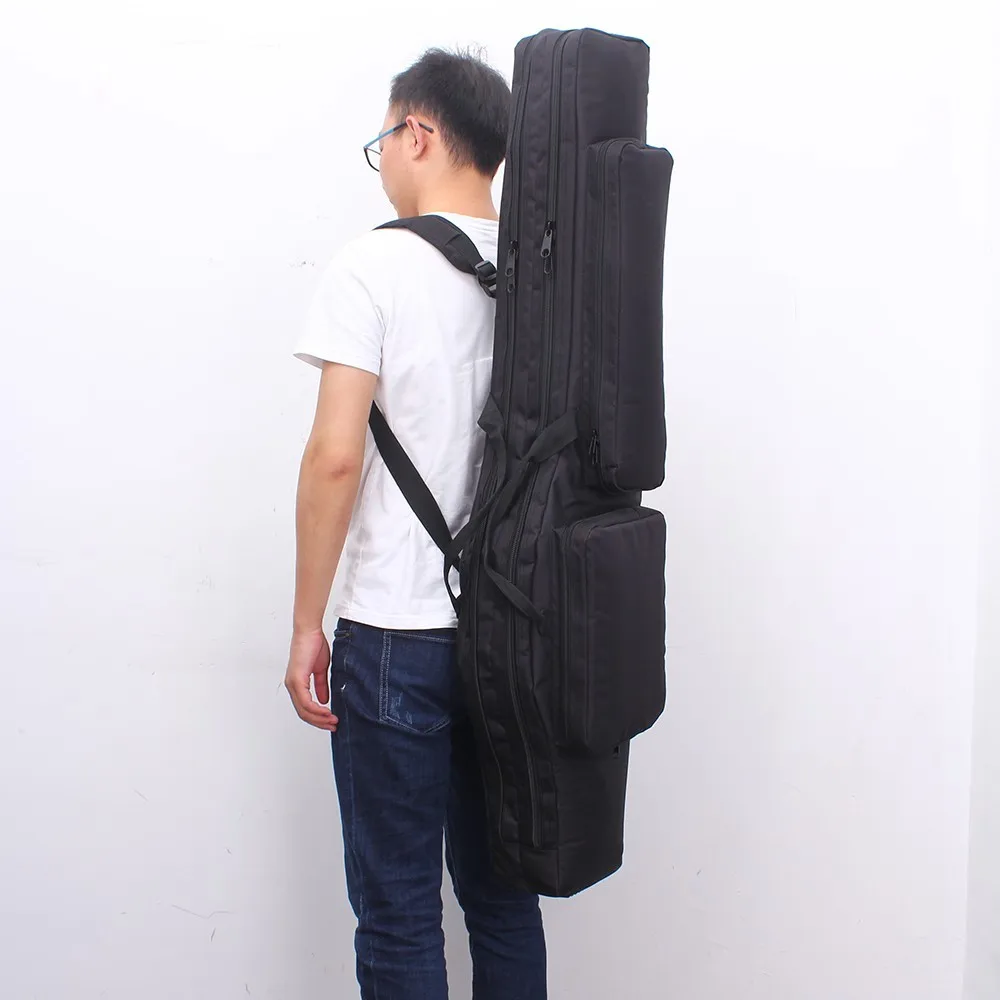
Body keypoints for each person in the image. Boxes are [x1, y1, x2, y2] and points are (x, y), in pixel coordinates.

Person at [284, 48, 547, 1000]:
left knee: (398, 911)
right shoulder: (541, 273)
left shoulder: (374, 265)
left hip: (397, 629)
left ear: (420, 133)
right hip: (514, 632)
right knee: (504, 903)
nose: (384, 161)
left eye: (384, 140)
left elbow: (336, 456)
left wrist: (308, 624)